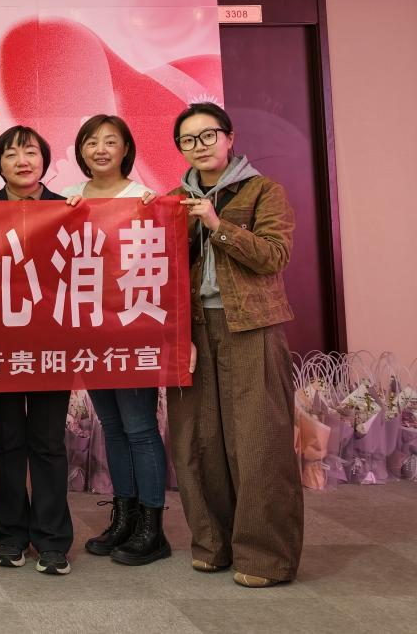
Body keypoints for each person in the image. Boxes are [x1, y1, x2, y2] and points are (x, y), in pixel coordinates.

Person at [166, 102, 303, 588]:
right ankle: (213, 545)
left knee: (259, 441)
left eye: (208, 135)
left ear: (229, 137)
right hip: (192, 331)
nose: (199, 146)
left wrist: (217, 224)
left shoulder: (264, 190)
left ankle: (264, 557)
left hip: (252, 326)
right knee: (197, 441)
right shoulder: (172, 200)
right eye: (188, 140)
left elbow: (275, 256)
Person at [60, 115, 170, 566]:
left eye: (111, 141)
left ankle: (152, 528)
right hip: (89, 330)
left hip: (132, 328)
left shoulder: (144, 198)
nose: (100, 149)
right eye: (91, 142)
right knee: (112, 425)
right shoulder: (70, 198)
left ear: (126, 149)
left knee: (140, 427)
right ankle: (124, 518)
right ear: (81, 151)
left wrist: (158, 213)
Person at [0, 125, 74, 575]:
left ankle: (53, 540)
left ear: (45, 161)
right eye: (11, 153)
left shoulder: (68, 208)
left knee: (48, 441)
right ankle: (11, 535)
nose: (22, 161)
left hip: (51, 342)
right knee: (6, 442)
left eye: (31, 152)